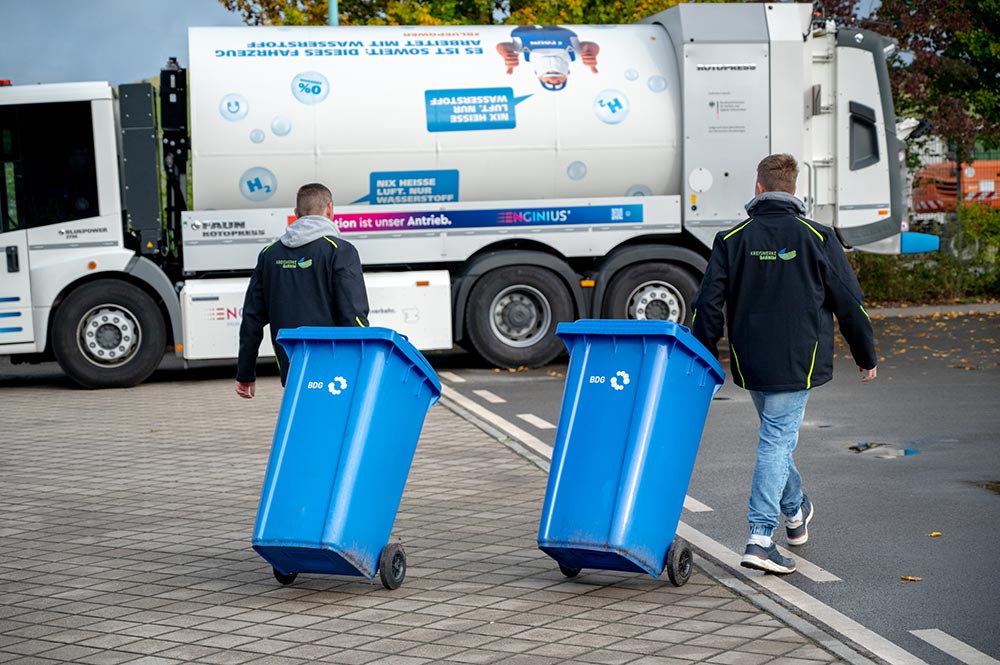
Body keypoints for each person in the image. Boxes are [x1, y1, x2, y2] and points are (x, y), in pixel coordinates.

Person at [690, 154, 878, 574]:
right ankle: (760, 537)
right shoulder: (818, 236)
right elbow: (850, 302)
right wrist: (865, 354)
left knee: (776, 438)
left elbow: (708, 305)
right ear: (794, 191)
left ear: (758, 189)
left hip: (751, 360)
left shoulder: (732, 238)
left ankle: (795, 512)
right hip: (799, 360)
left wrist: (706, 361)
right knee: (776, 441)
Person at [235, 183, 369, 398]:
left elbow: (252, 318)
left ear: (296, 214)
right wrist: (364, 363)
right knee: (329, 421)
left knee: (301, 416)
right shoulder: (340, 251)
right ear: (330, 209)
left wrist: (246, 373)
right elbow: (353, 314)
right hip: (335, 365)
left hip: (291, 363)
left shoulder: (269, 254)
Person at [496, 25, 599, 91]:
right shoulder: (574, 56)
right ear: (568, 73)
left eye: (548, 82)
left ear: (536, 73)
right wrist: (590, 52)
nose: (553, 80)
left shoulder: (525, 57)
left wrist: (506, 54)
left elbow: (503, 45)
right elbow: (591, 45)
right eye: (559, 82)